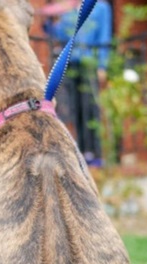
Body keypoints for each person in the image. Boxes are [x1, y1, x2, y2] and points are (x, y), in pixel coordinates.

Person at [44, 0, 112, 166]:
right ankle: (83, 152)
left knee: (90, 108)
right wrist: (49, 22)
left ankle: (95, 152)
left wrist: (102, 65)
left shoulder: (101, 7)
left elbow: (104, 35)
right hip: (70, 64)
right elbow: (62, 34)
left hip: (89, 64)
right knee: (75, 108)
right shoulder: (69, 8)